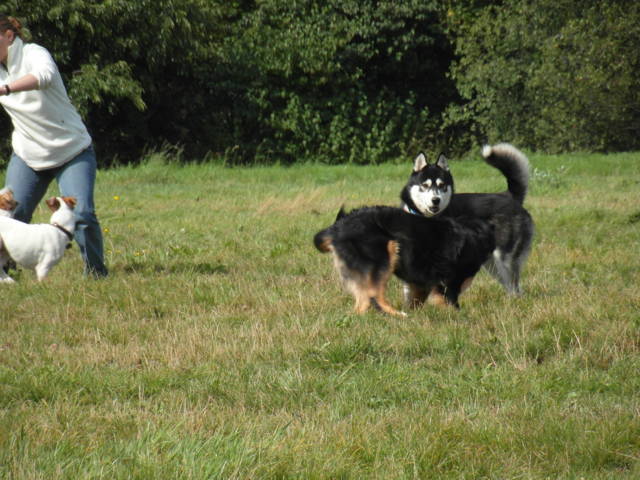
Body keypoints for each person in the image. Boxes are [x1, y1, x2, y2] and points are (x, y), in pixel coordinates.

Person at [0, 14, 108, 277]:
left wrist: (6, 89)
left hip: (71, 151)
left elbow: (44, 76)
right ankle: (6, 271)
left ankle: (95, 274)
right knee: (10, 215)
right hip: (28, 155)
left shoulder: (34, 53)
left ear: (9, 36)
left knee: (81, 214)